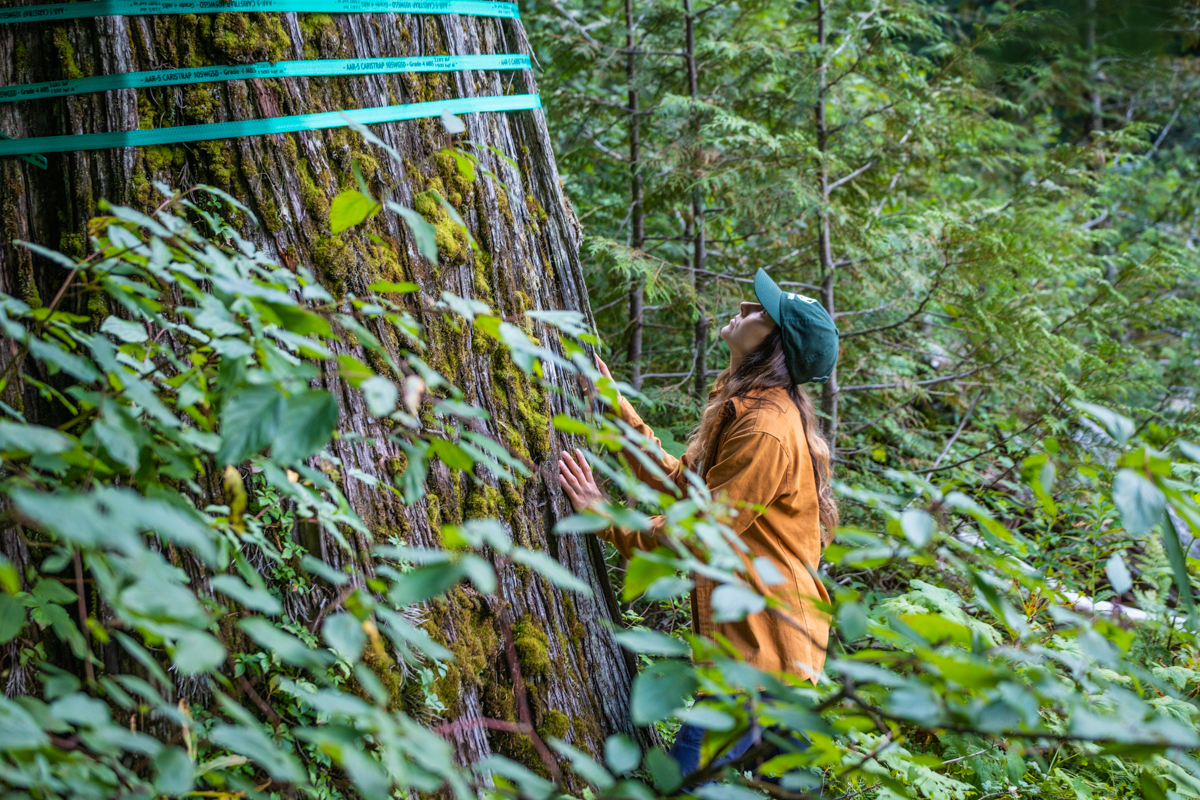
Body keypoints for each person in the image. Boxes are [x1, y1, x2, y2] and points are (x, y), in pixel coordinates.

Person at [557, 268, 839, 780]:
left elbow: (702, 530)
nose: (748, 308)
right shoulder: (749, 411)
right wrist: (614, 406)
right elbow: (688, 492)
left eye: (763, 312)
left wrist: (607, 520)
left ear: (774, 345)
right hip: (767, 657)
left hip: (763, 660)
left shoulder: (765, 428)